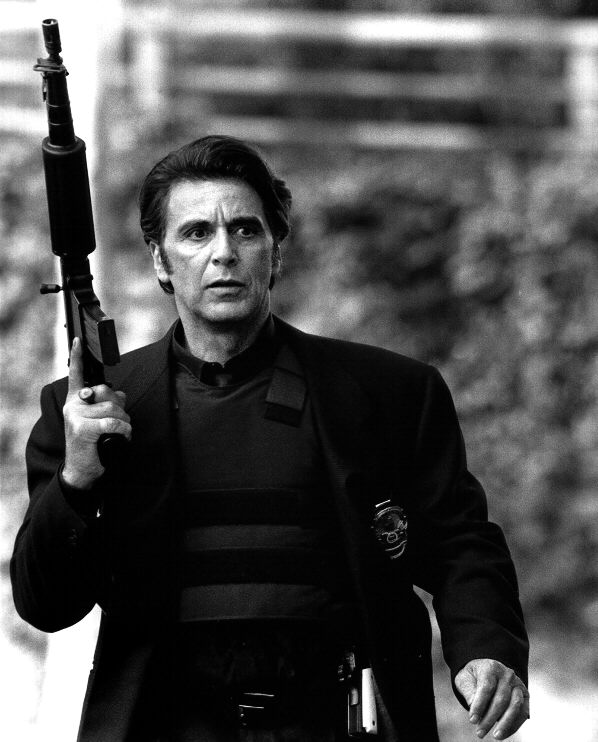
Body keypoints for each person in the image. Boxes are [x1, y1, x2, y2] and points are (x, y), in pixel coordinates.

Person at [11, 135, 529, 742]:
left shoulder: (390, 394)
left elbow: (460, 541)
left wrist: (486, 647)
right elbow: (45, 605)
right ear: (160, 261)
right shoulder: (90, 411)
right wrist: (75, 481)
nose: (224, 253)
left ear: (275, 251)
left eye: (245, 231)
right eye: (196, 233)